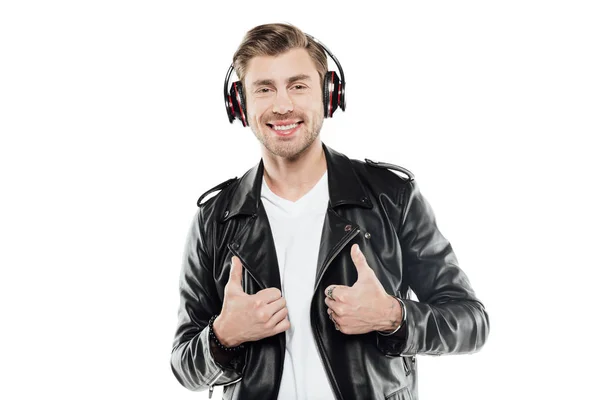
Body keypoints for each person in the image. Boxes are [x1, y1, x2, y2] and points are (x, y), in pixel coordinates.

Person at [170, 22, 489, 400]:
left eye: (298, 85)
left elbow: (471, 322)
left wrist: (394, 316)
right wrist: (222, 336)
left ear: (328, 94)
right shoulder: (214, 221)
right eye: (264, 88)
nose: (283, 104)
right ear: (241, 103)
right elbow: (184, 365)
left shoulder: (391, 196)